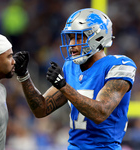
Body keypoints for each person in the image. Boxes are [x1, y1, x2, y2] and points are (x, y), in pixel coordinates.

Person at [13, 8, 137, 150]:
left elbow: (100, 112)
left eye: (78, 37)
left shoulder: (118, 65)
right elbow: (41, 109)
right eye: (71, 37)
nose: (72, 43)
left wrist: (64, 86)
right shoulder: (70, 67)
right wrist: (24, 76)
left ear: (98, 37)